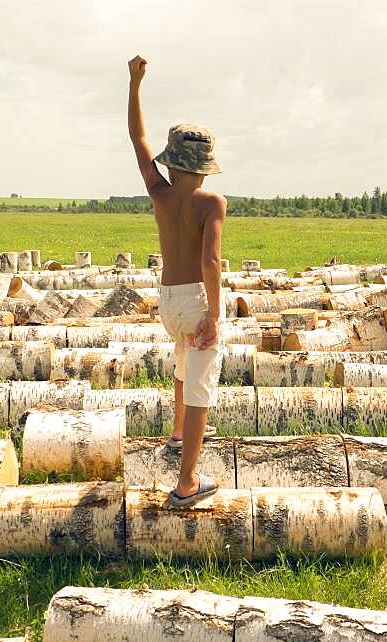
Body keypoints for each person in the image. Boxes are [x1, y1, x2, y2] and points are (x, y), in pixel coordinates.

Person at [127, 54, 226, 507]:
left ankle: (174, 432)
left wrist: (135, 84)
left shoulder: (160, 194)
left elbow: (138, 138)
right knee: (201, 381)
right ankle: (188, 482)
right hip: (194, 299)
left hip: (167, 301)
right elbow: (211, 261)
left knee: (184, 361)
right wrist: (216, 315)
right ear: (204, 165)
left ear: (173, 164)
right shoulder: (212, 202)